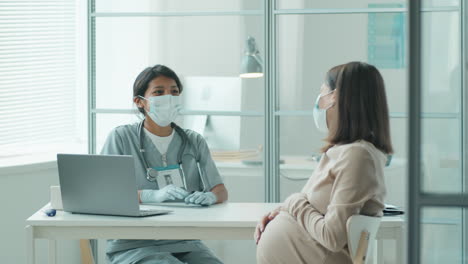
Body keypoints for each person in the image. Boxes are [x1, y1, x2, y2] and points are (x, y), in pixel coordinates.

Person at [255, 62, 393, 264]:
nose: (318, 101)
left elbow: (332, 236)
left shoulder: (358, 156)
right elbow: (310, 208)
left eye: (322, 92)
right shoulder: (343, 152)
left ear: (336, 97)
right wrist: (282, 210)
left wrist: (292, 202)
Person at [101, 64, 228, 264]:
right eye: (159, 92)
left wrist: (211, 196)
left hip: (183, 240)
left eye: (174, 92)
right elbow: (107, 194)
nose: (168, 97)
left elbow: (220, 189)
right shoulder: (121, 138)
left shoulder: (193, 141)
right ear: (140, 101)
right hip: (132, 244)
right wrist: (151, 195)